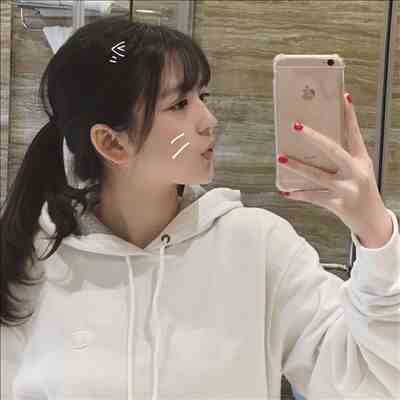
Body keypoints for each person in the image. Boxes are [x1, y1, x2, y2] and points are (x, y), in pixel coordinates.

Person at [0, 15, 398, 400]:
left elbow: (373, 385)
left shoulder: (259, 247)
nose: (209, 120)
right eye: (179, 104)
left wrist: (375, 231)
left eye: (202, 97)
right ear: (111, 143)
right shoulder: (29, 262)